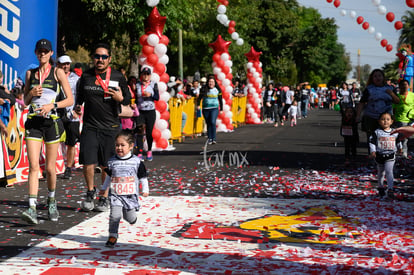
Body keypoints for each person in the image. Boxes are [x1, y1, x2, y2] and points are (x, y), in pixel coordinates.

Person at [21, 39, 74, 224]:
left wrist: (53, 105)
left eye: (45, 51)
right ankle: (32, 207)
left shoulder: (58, 72)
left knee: (50, 169)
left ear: (51, 54)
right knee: (33, 166)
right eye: (39, 51)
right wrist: (31, 94)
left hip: (51, 123)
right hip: (34, 122)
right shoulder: (30, 73)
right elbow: (25, 101)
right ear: (36, 53)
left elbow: (70, 100)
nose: (42, 54)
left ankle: (51, 200)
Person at [76, 42, 130, 212]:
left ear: (109, 59)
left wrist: (120, 98)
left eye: (104, 57)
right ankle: (90, 191)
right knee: (88, 162)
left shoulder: (118, 77)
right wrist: (77, 107)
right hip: (90, 126)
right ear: (93, 58)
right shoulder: (85, 77)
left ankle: (104, 196)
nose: (100, 59)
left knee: (107, 165)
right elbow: (79, 99)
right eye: (97, 56)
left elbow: (128, 100)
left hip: (111, 127)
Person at [99, 130, 149, 248]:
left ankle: (132, 219)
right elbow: (109, 177)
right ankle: (112, 236)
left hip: (129, 196)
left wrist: (145, 189)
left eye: (122, 145)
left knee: (129, 217)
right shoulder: (112, 161)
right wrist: (104, 188)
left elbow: (143, 177)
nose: (119, 148)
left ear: (131, 146)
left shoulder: (137, 162)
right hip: (116, 195)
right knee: (114, 216)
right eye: (117, 145)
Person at [356, 69, 400, 153]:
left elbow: (397, 101)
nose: (377, 78)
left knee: (385, 137)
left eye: (379, 76)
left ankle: (386, 156)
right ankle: (372, 155)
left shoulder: (390, 88)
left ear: (383, 77)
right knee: (372, 138)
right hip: (371, 117)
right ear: (372, 78)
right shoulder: (369, 89)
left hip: (386, 117)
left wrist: (391, 94)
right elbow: (361, 103)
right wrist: (358, 116)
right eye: (375, 76)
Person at [56, 55, 81, 180]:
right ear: (58, 64)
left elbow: (81, 96)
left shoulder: (76, 79)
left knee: (71, 143)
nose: (65, 66)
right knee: (55, 141)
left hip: (72, 115)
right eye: (63, 64)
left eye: (67, 64)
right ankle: (54, 166)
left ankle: (68, 168)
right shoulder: (54, 76)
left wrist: (78, 109)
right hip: (57, 114)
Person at [369, 112, 403, 198]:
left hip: (390, 155)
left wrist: (400, 148)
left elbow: (398, 141)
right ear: (379, 121)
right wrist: (373, 151)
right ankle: (380, 187)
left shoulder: (395, 132)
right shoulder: (377, 132)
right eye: (383, 119)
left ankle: (390, 188)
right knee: (381, 172)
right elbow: (372, 142)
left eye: (388, 119)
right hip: (380, 155)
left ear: (392, 121)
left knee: (389, 171)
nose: (385, 121)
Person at [135, 67, 159, 161]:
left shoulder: (153, 84)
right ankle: (140, 152)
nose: (145, 76)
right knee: (140, 131)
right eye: (144, 74)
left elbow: (157, 97)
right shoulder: (137, 84)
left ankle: (149, 150)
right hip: (140, 111)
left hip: (150, 111)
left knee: (149, 132)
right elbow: (135, 97)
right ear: (141, 75)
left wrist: (151, 95)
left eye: (147, 74)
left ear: (150, 75)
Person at [196, 76, 223, 145]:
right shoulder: (204, 89)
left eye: (212, 82)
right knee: (208, 123)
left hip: (214, 108)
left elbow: (220, 99)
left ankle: (214, 138)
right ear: (208, 82)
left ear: (214, 83)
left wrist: (221, 109)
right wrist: (198, 105)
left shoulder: (217, 89)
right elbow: (199, 98)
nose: (211, 83)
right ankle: (210, 138)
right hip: (206, 109)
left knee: (212, 122)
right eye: (210, 82)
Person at [392, 79, 414, 158]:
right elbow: (393, 108)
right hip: (399, 120)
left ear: (408, 86)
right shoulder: (397, 97)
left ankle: (404, 153)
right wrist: (393, 118)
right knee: (401, 137)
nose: (404, 86)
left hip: (410, 120)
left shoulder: (412, 95)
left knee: (406, 138)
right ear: (399, 87)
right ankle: (400, 152)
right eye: (402, 85)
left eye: (406, 84)